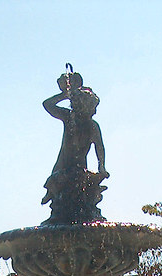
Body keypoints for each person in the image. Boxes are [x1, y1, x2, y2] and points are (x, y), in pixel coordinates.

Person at [41, 69, 108, 224]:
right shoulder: (69, 118)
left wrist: (102, 166)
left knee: (84, 188)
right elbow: (47, 104)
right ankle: (52, 195)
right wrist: (65, 94)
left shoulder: (92, 126)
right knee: (57, 183)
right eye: (91, 107)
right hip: (64, 164)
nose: (94, 111)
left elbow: (100, 148)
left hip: (80, 167)